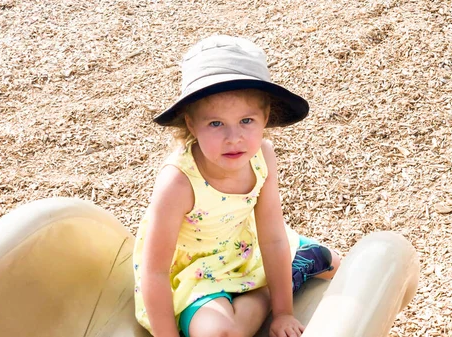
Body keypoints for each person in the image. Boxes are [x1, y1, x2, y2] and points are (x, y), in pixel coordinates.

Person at [132, 35, 341, 337]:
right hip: (194, 275)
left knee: (343, 270)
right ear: (191, 124)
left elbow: (272, 236)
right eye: (216, 124)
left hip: (244, 252)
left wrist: (283, 314)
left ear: (265, 117)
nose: (234, 138)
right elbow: (155, 271)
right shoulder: (177, 182)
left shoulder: (263, 156)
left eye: (246, 120)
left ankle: (285, 278)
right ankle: (282, 281)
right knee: (218, 332)